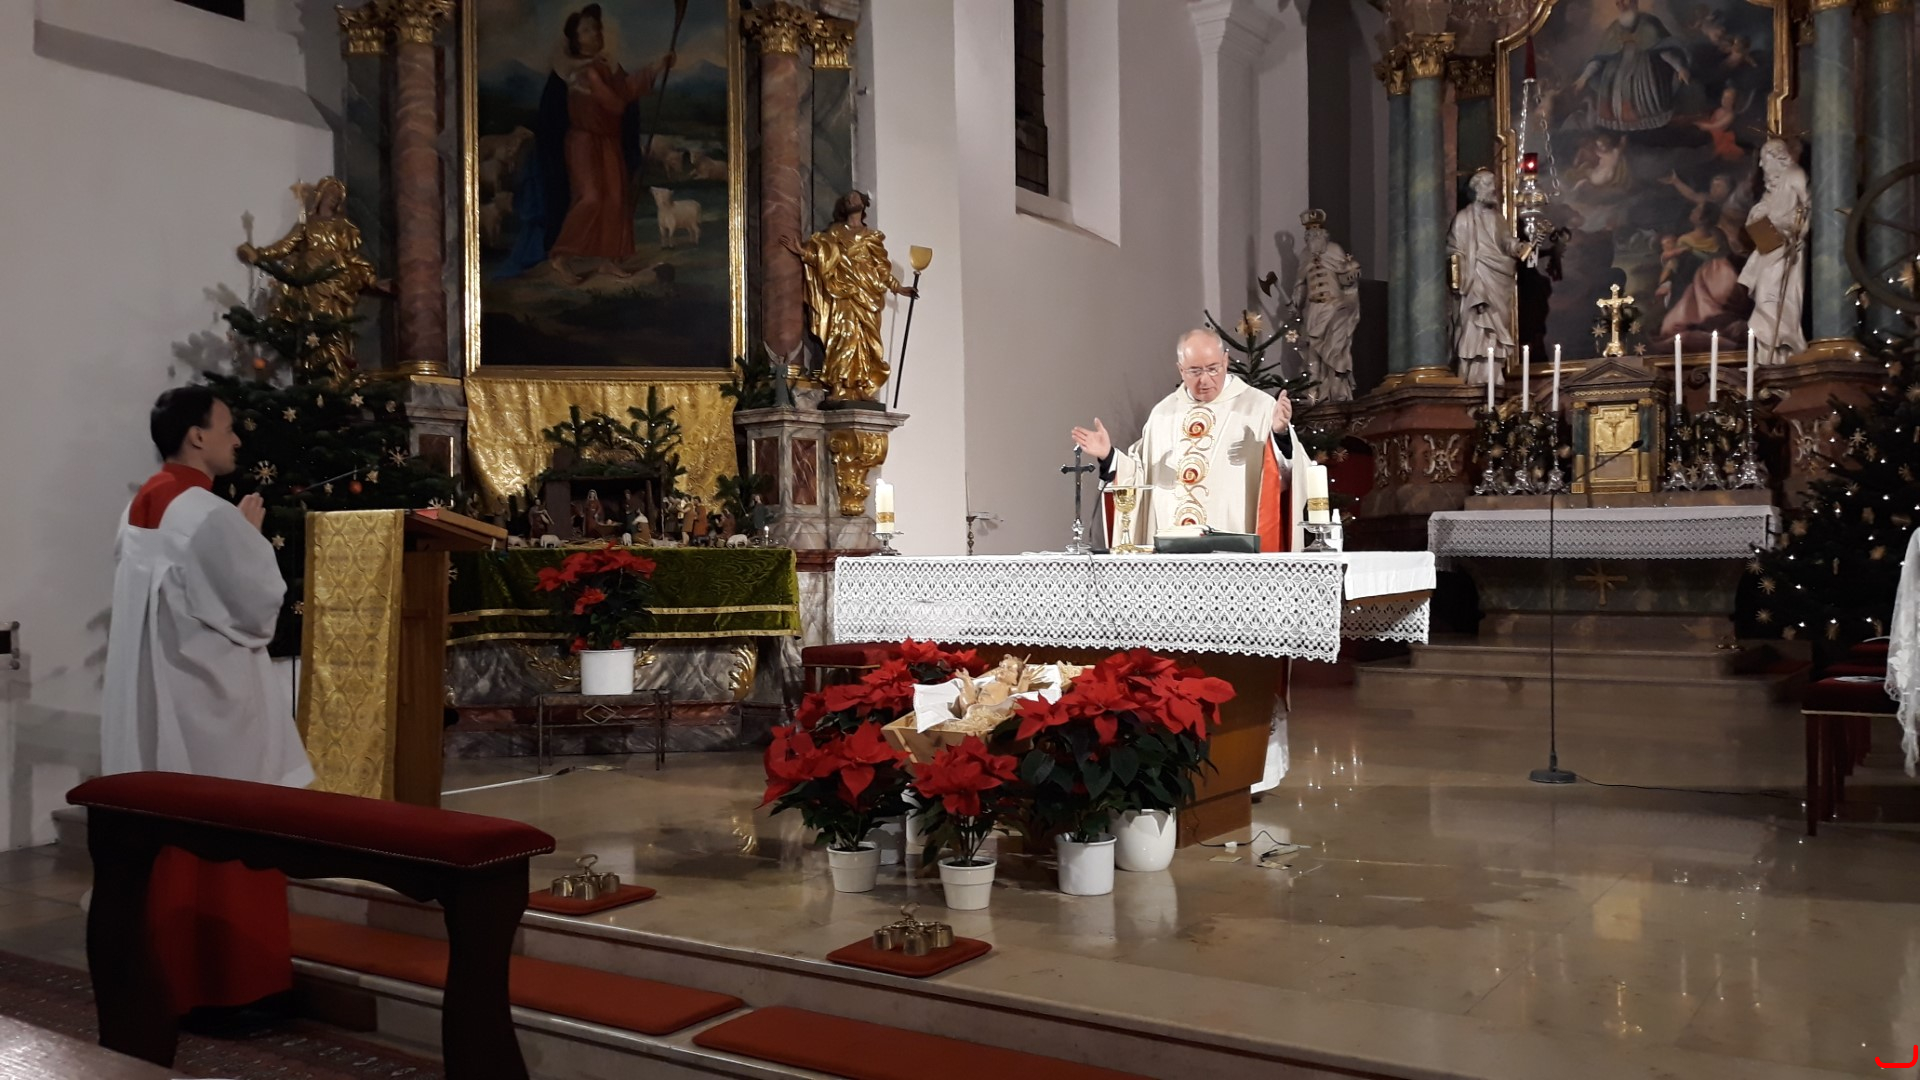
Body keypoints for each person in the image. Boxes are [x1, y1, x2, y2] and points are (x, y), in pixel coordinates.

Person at [101, 386, 315, 1029]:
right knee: (231, 836)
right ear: (196, 435)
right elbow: (254, 607)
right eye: (227, 427)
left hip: (163, 695)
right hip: (213, 707)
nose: (237, 439)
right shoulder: (205, 513)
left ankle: (173, 980)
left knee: (172, 840)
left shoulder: (140, 505)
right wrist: (249, 536)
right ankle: (237, 990)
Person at [1069, 330, 1310, 795]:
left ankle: (1250, 770)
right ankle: (1178, 765)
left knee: (1237, 663)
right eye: (1194, 371)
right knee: (1178, 665)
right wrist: (1110, 459)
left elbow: (1284, 478)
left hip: (1237, 573)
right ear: (1180, 369)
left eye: (1213, 369)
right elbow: (1139, 480)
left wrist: (1280, 436)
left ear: (1226, 362)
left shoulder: (1258, 406)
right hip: (1172, 573)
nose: (1205, 380)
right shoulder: (1164, 414)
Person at [501, 4, 673, 282]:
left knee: (616, 198)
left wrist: (656, 67)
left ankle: (608, 259)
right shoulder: (584, 72)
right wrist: (633, 87)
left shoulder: (605, 67)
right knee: (591, 197)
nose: (595, 33)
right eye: (586, 30)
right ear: (575, 39)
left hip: (609, 142)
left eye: (596, 28)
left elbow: (625, 89)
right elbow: (616, 103)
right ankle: (561, 255)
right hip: (583, 142)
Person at [782, 191, 917, 402]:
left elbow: (881, 269)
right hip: (843, 293)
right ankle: (838, 385)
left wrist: (898, 288)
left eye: (855, 197)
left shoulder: (872, 237)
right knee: (844, 336)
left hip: (867, 296)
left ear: (864, 204)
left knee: (864, 342)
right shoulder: (834, 234)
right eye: (848, 199)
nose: (851, 199)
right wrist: (803, 253)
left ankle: (860, 386)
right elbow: (824, 258)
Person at [1450, 169, 1532, 387]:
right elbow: (1455, 251)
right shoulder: (1463, 219)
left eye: (1493, 184)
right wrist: (1460, 277)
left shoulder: (1498, 218)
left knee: (1496, 326)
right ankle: (1473, 374)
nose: (1493, 189)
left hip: (1498, 278)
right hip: (1475, 276)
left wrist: (1519, 247)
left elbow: (1506, 242)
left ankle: (1493, 372)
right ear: (1476, 189)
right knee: (1476, 323)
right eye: (1488, 184)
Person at [1571, 0, 1691, 132]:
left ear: (1635, 2)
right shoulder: (1614, 29)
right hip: (1616, 77)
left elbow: (1663, 49)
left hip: (1644, 75)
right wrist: (1584, 77)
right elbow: (1601, 57)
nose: (1622, 6)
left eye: (1625, 1)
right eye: (1619, 3)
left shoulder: (1649, 23)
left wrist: (1679, 67)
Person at [1740, 137, 1809, 364]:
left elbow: (1809, 206)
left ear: (1776, 156)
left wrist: (1801, 233)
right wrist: (1758, 214)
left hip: (1787, 248)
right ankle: (1767, 357)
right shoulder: (1771, 187)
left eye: (1764, 159)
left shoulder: (1794, 174)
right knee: (1765, 298)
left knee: (1772, 299)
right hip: (1769, 248)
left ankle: (1785, 353)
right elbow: (1767, 214)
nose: (1761, 165)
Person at [1291, 211, 1362, 403]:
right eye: (1309, 233)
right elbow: (1301, 282)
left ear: (1324, 233)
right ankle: (1312, 393)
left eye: (1317, 232)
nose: (1313, 236)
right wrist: (1295, 301)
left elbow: (1346, 277)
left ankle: (1337, 391)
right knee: (1312, 352)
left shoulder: (1334, 250)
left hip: (1335, 307)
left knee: (1335, 348)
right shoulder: (1305, 255)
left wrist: (1350, 274)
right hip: (1312, 310)